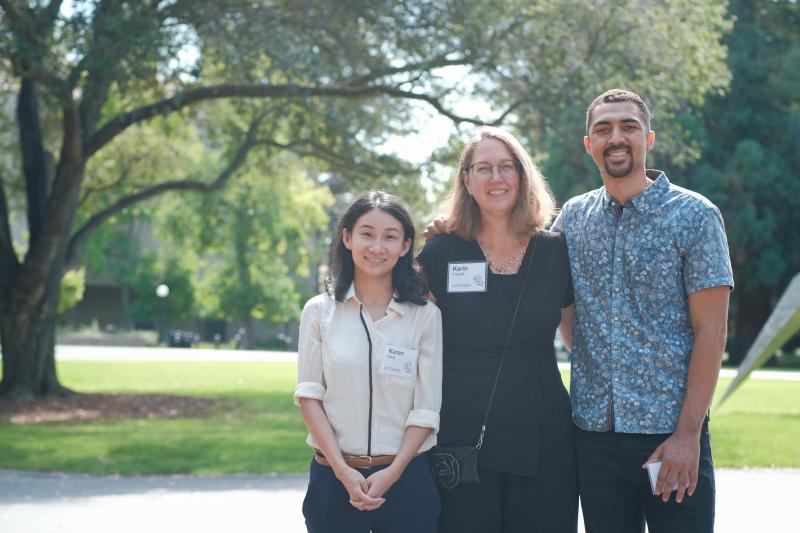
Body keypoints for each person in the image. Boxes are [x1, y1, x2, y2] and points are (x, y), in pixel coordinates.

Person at [552, 89, 733, 533]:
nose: (616, 137)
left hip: (670, 437)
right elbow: (527, 270)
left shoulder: (694, 216)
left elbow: (712, 332)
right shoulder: (573, 218)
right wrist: (451, 232)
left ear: (648, 138)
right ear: (588, 144)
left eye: (628, 126)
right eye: (603, 129)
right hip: (595, 439)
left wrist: (688, 435)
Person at [418, 127, 578, 533]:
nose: (496, 178)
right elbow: (413, 338)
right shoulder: (441, 251)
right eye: (483, 168)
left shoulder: (555, 250)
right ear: (466, 181)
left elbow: (577, 338)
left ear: (523, 177)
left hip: (543, 430)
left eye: (506, 167)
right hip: (461, 430)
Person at [295, 191, 443, 533]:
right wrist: (344, 472)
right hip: (332, 479)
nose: (377, 247)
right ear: (347, 238)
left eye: (390, 237)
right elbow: (309, 397)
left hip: (407, 480)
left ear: (405, 246)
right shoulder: (318, 311)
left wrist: (393, 472)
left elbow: (426, 408)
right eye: (366, 234)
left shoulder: (426, 317)